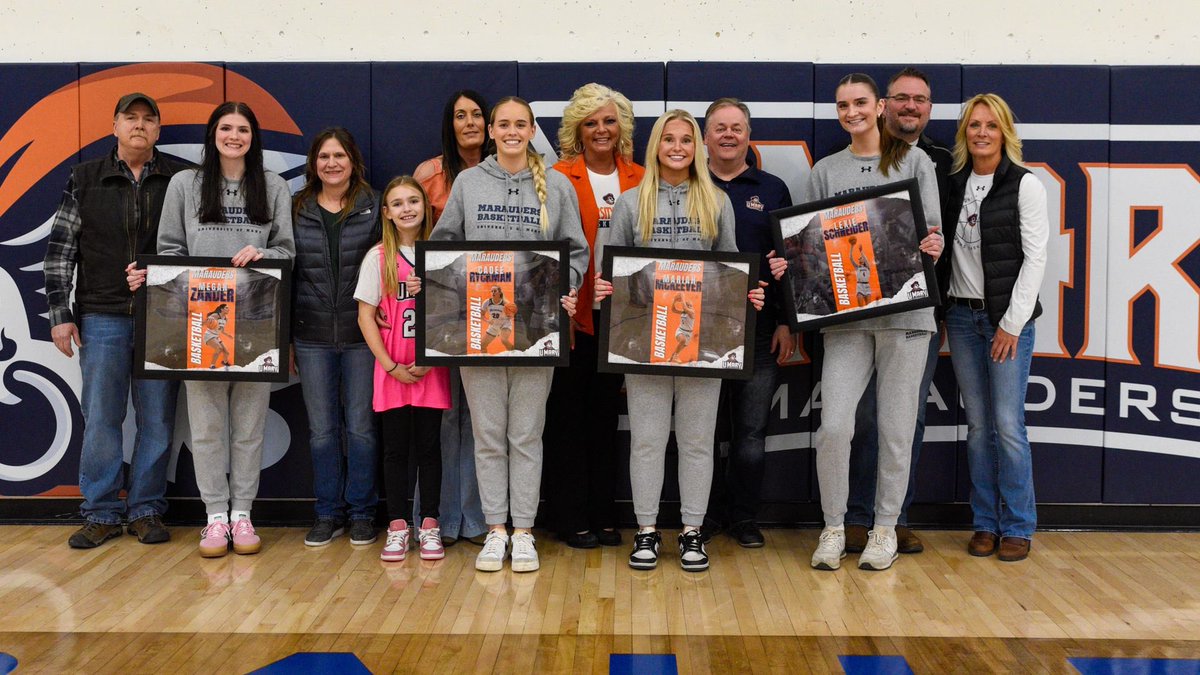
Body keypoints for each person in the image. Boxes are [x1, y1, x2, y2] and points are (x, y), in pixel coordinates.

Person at [770, 73, 943, 572]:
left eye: (861, 103)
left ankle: (884, 528)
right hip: (844, 319)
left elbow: (930, 232)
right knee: (835, 427)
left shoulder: (914, 161)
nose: (852, 112)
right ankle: (833, 526)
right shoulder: (826, 170)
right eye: (843, 105)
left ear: (881, 105)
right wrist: (790, 263)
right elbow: (809, 246)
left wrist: (934, 244)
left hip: (907, 313)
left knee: (894, 428)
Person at [595, 109, 765, 572]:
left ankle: (692, 531)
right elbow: (608, 270)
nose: (676, 147)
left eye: (685, 140)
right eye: (668, 139)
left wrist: (747, 290)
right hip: (643, 340)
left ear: (697, 147)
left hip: (700, 340)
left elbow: (731, 265)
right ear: (656, 146)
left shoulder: (716, 202)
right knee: (647, 441)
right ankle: (646, 531)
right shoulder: (631, 203)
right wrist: (605, 288)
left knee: (696, 442)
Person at [424, 96, 588, 573]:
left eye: (521, 124)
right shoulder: (468, 183)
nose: (512, 131)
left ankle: (525, 531)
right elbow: (446, 242)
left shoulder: (556, 186)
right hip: (480, 330)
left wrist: (569, 288)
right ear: (491, 131)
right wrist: (443, 280)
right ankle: (496, 529)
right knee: (489, 434)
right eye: (504, 124)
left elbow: (575, 253)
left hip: (538, 329)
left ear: (531, 129)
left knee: (526, 434)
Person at [130, 101, 294, 557]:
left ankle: (243, 514)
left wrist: (262, 256)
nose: (234, 136)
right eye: (226, 128)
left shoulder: (274, 186)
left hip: (257, 324)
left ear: (252, 136)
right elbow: (168, 249)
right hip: (198, 321)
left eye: (243, 128)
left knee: (248, 425)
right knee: (204, 426)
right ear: (213, 134)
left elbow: (286, 250)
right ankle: (214, 517)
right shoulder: (186, 184)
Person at [44, 92, 184, 548]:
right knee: (102, 416)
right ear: (115, 125)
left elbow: (199, 247)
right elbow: (60, 251)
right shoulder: (84, 178)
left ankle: (145, 508)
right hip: (102, 314)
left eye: (148, 119)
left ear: (159, 130)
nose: (139, 126)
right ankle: (101, 510)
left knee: (158, 419)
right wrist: (61, 315)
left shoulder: (181, 179)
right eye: (130, 118)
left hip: (164, 318)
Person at [843, 67, 954, 556]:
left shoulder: (942, 163)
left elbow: (939, 237)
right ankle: (857, 519)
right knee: (860, 418)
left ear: (929, 107)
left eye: (921, 100)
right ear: (884, 105)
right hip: (854, 310)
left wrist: (939, 299)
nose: (911, 106)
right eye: (902, 98)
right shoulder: (842, 165)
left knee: (906, 420)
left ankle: (894, 519)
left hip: (919, 306)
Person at [940, 93, 1047, 563]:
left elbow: (1036, 258)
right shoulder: (953, 183)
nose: (982, 132)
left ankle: (1018, 525)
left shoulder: (1026, 185)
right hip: (962, 318)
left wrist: (1011, 323)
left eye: (991, 125)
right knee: (979, 426)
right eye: (974, 125)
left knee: (1007, 425)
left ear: (1005, 132)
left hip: (1007, 322)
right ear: (965, 132)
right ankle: (985, 523)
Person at [544, 82, 644, 549]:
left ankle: (605, 514)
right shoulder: (558, 177)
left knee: (607, 420)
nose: (601, 129)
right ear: (576, 130)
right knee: (568, 421)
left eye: (609, 120)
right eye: (591, 122)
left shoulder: (644, 177)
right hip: (573, 316)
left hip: (626, 319)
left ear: (621, 126)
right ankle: (571, 517)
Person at [701, 98, 795, 548]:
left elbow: (788, 264)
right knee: (704, 431)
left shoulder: (773, 189)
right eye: (719, 127)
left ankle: (743, 518)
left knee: (751, 433)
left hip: (759, 330)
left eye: (736, 127)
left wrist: (785, 323)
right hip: (699, 330)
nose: (728, 135)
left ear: (748, 135)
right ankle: (702, 516)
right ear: (705, 137)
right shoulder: (688, 186)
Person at [290, 127, 381, 548]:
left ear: (352, 160)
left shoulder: (374, 206)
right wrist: (285, 338)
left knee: (361, 428)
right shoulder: (296, 208)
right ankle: (328, 512)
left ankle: (362, 512)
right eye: (324, 156)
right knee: (322, 431)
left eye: (339, 155)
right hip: (310, 337)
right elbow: (287, 278)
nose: (331, 163)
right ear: (314, 163)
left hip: (363, 336)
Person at [411, 90, 494, 547]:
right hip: (445, 313)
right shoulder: (430, 175)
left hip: (492, 312)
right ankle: (439, 520)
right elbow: (415, 244)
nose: (469, 123)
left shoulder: (510, 175)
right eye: (460, 115)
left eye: (477, 114)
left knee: (484, 421)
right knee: (445, 419)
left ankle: (480, 518)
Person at [356, 176, 451, 562]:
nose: (407, 208)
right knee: (395, 449)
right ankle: (397, 526)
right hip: (392, 367)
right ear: (386, 213)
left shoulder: (441, 255)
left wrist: (430, 357)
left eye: (414, 200)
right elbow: (365, 316)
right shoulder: (378, 257)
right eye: (397, 203)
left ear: (426, 207)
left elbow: (454, 312)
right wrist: (390, 364)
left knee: (429, 448)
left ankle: (430, 525)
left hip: (431, 367)